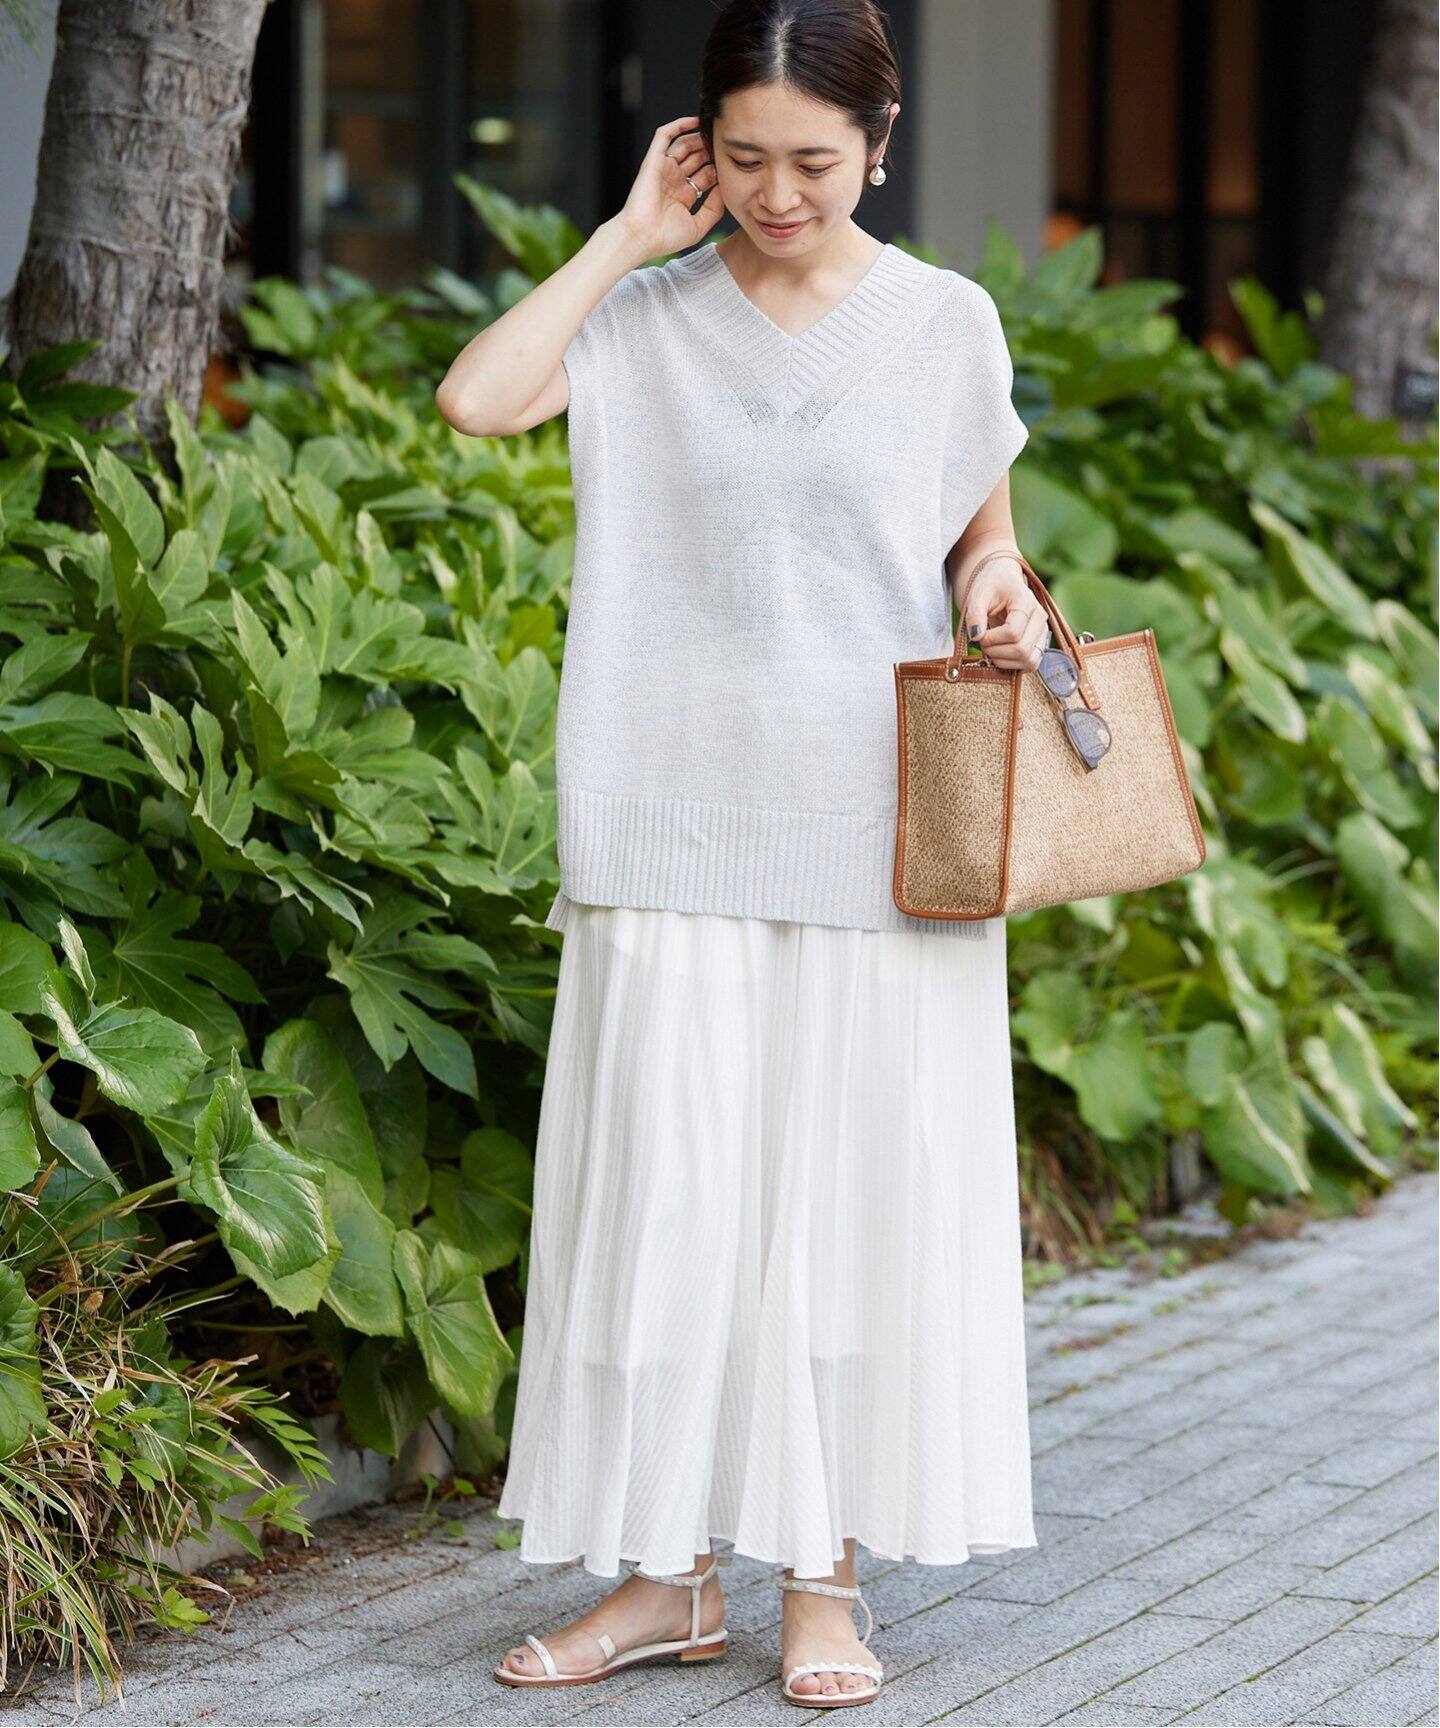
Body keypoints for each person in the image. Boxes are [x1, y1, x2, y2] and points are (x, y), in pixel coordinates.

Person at [435, 0, 1046, 1708]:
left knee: (840, 1222)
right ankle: (665, 1580)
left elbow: (981, 546)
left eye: (816, 163)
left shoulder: (943, 323)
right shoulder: (642, 320)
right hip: (665, 824)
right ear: (697, 146)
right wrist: (629, 236)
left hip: (875, 839)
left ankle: (823, 1581)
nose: (780, 195)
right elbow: (479, 400)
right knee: (669, 1222)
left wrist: (999, 596)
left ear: (882, 141)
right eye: (747, 157)